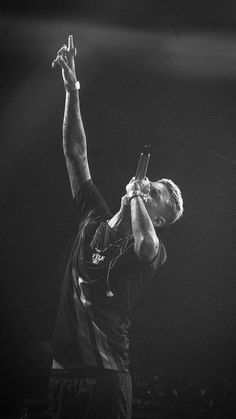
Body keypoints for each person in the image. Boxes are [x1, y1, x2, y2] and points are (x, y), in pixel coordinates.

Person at [48, 35, 184, 419]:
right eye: (149, 182)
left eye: (153, 192)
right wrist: (72, 90)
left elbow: (145, 244)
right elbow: (76, 153)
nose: (145, 185)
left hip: (107, 378)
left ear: (157, 218)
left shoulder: (149, 252)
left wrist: (137, 195)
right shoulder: (94, 213)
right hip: (63, 374)